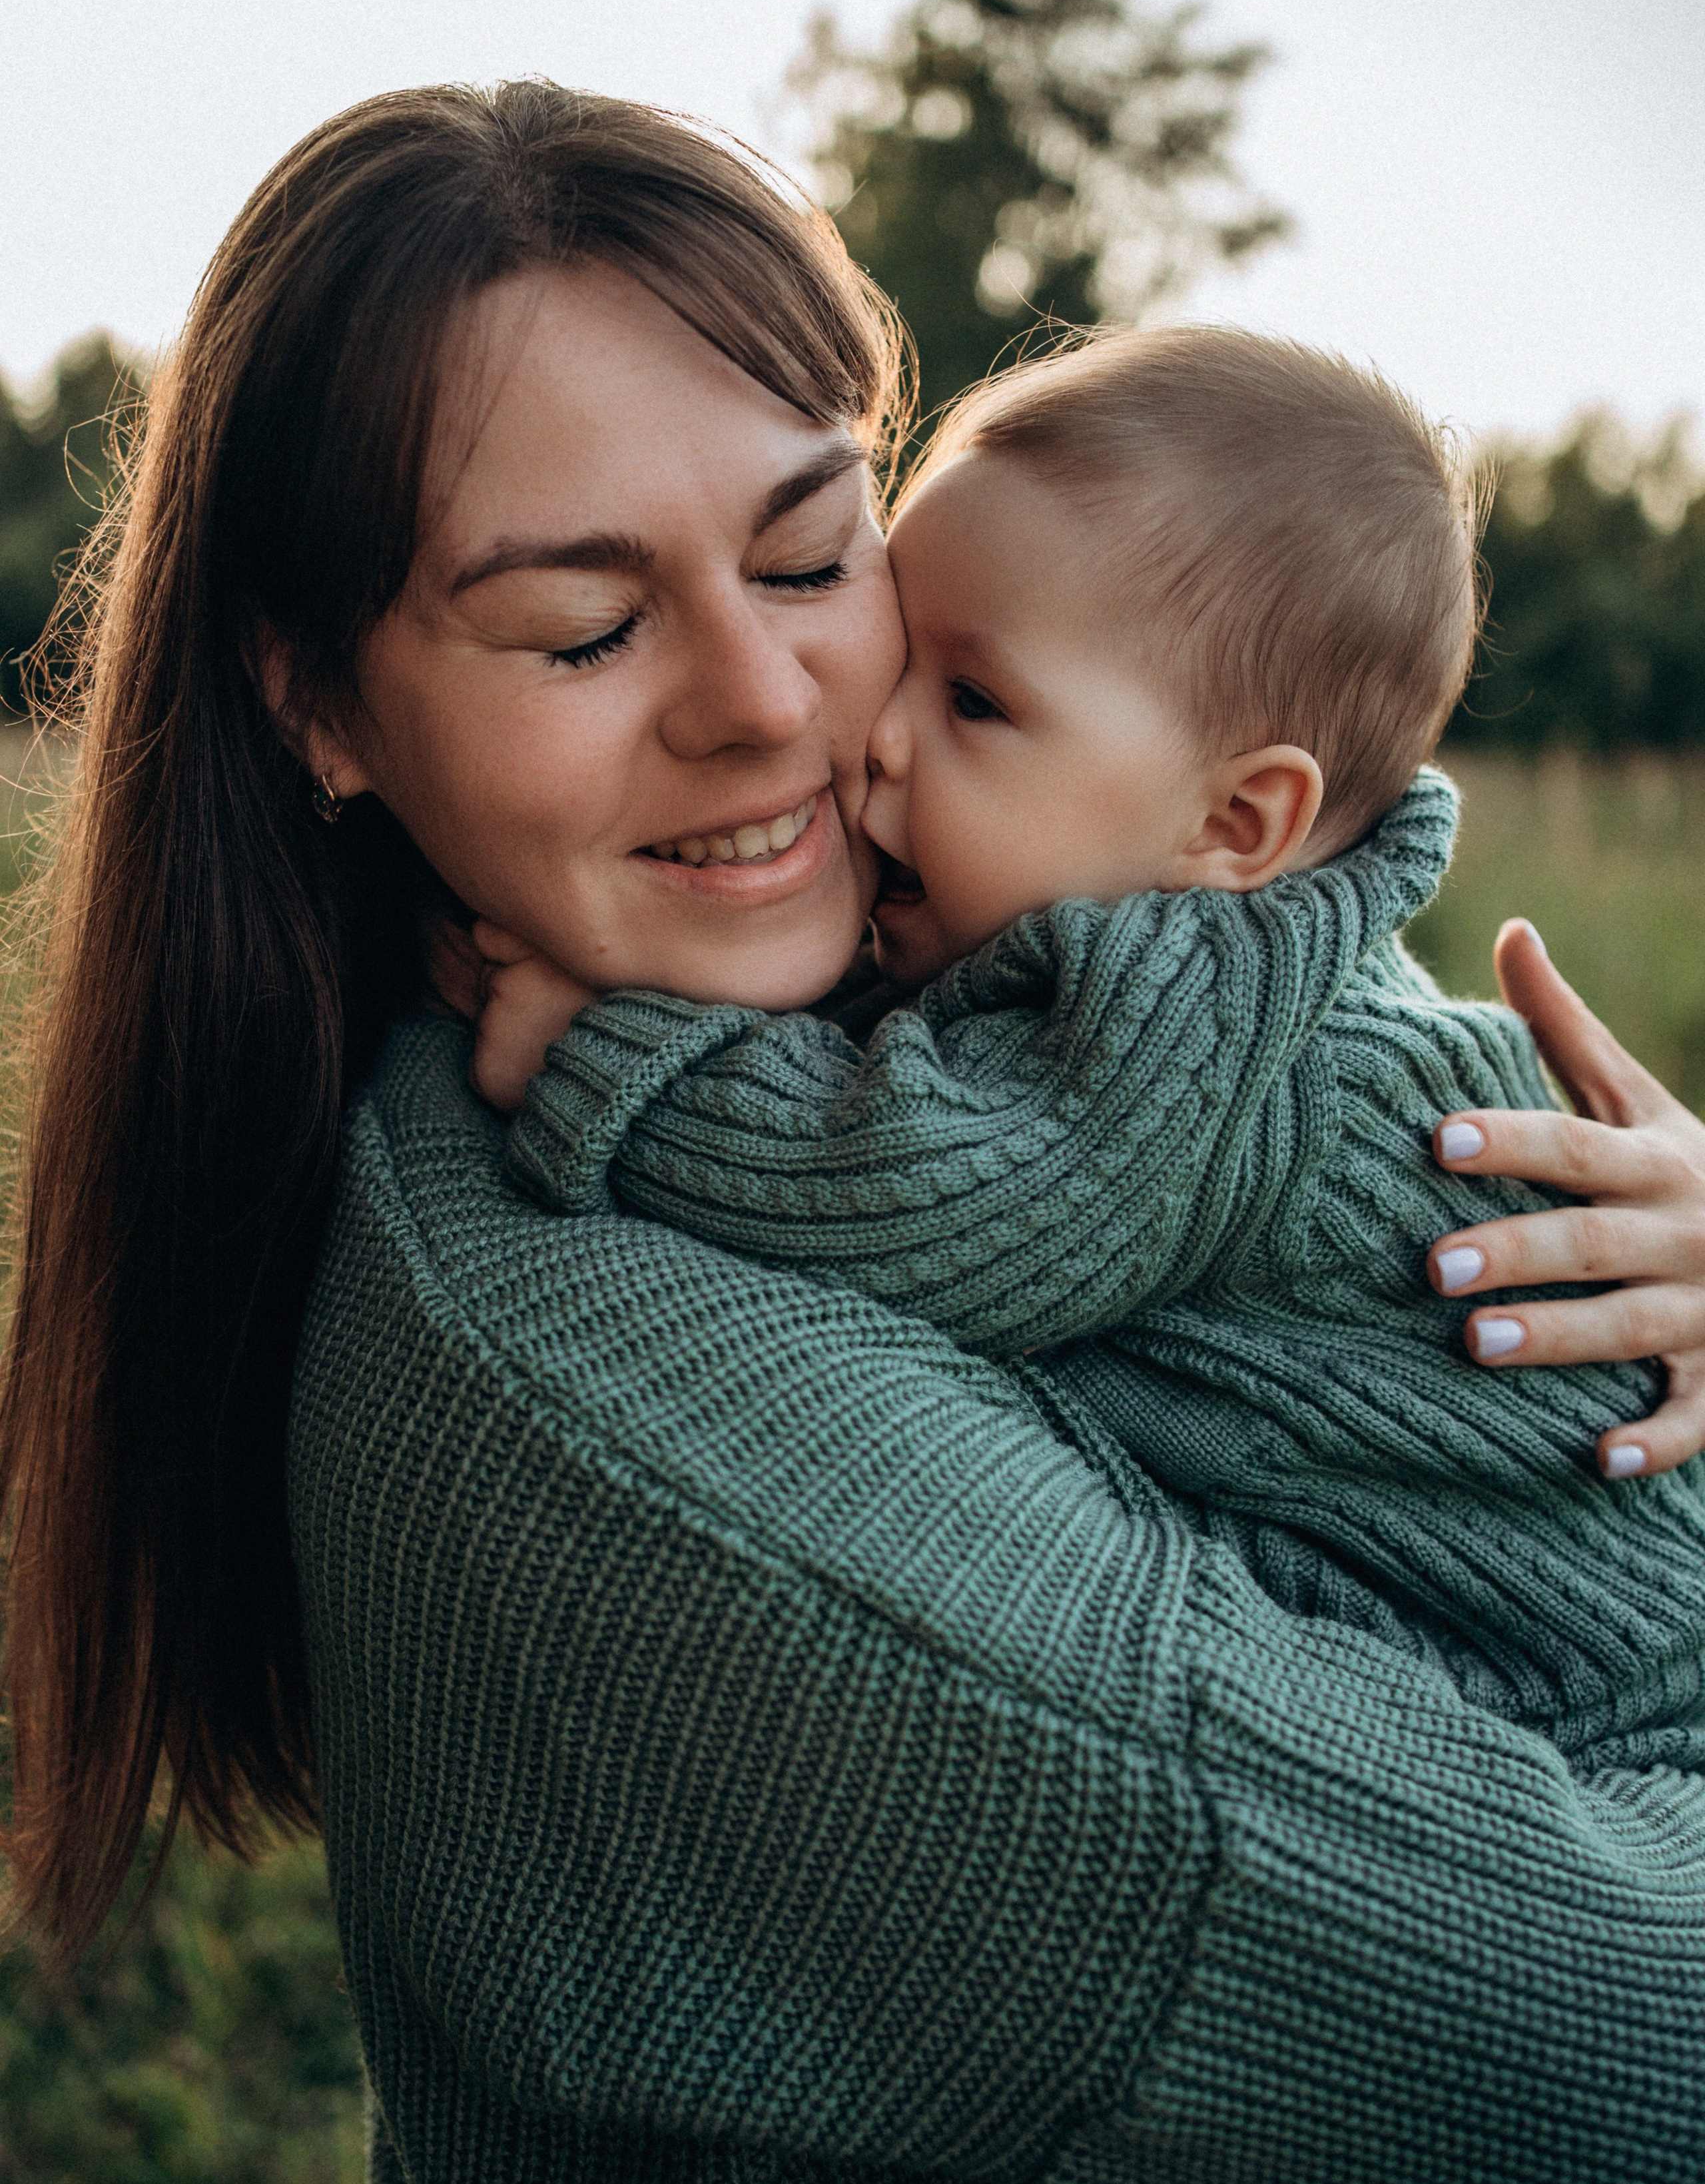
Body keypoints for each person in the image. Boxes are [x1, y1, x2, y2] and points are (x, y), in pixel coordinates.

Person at [4, 83, 1705, 2184]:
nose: (771, 703)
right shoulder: (605, 1412)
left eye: (815, 557)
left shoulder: (914, 1014)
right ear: (318, 704)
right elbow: (1637, 2070)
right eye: (579, 628)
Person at [469, 326, 1705, 1768]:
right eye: (905, 661)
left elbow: (940, 1200)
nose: (872, 738)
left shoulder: (1199, 1009)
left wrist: (617, 1059)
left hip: (1601, 1693)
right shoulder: (1164, 936)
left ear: (1231, 826)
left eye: (974, 701)